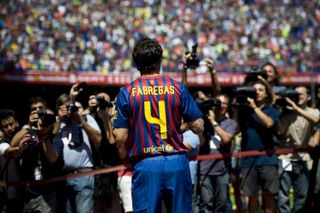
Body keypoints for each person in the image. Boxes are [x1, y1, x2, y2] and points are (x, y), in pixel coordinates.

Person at [112, 38, 204, 213]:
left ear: (137, 63)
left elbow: (120, 137)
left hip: (146, 163)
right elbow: (198, 126)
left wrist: (112, 120)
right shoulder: (177, 88)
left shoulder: (127, 92)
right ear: (160, 61)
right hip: (176, 162)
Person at [10, 97, 63, 213]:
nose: (38, 111)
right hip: (28, 192)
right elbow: (13, 145)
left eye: (41, 108)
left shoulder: (54, 136)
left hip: (47, 194)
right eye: (34, 109)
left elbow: (53, 160)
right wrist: (29, 126)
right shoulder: (28, 132)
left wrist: (44, 135)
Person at [234, 79, 280, 213]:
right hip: (248, 160)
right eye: (255, 90)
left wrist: (254, 108)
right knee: (251, 196)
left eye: (261, 90)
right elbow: (237, 130)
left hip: (267, 159)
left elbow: (269, 124)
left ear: (267, 94)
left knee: (268, 195)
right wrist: (236, 109)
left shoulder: (270, 110)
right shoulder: (244, 110)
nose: (258, 93)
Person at [53, 88, 102, 213]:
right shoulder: (54, 123)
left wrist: (80, 122)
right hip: (62, 177)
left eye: (70, 107)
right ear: (58, 109)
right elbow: (49, 140)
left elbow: (98, 139)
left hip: (84, 174)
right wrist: (58, 120)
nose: (68, 111)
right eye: (64, 108)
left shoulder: (85, 119)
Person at [277, 86, 319, 213]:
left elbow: (316, 119)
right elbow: (280, 131)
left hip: (303, 158)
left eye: (301, 94)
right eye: (295, 94)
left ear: (308, 97)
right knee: (283, 195)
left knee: (302, 194)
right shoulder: (286, 113)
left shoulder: (313, 111)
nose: (298, 96)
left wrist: (296, 109)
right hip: (285, 158)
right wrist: (283, 111)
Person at [198, 94, 238, 213]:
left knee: (222, 203)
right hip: (205, 168)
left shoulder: (231, 123)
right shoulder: (203, 121)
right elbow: (200, 143)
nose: (221, 106)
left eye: (224, 103)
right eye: (219, 103)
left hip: (222, 169)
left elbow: (226, 139)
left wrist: (213, 121)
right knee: (206, 203)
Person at [0, 109, 25, 213]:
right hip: (6, 197)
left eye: (11, 124)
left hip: (23, 194)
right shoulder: (2, 143)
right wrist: (19, 148)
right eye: (6, 126)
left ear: (17, 123)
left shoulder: (25, 136)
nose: (10, 128)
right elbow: (7, 151)